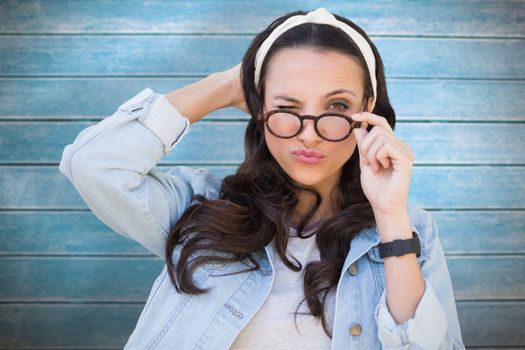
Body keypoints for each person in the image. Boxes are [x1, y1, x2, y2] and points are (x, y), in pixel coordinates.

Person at [59, 7, 465, 349]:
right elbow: (94, 165)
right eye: (287, 106)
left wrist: (391, 215)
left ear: (368, 109)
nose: (309, 134)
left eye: (337, 105)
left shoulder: (414, 231)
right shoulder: (199, 206)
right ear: (258, 108)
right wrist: (224, 86)